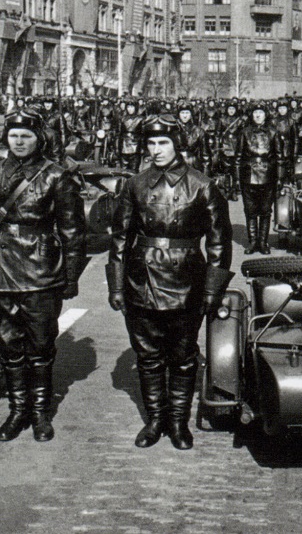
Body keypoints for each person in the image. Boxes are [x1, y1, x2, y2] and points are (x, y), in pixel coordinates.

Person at [106, 114, 233, 450]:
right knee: (148, 357)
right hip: (141, 281)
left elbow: (219, 244)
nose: (156, 150)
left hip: (186, 281)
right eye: (150, 143)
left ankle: (178, 422)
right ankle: (155, 420)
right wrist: (116, 286)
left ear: (178, 144)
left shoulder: (203, 185)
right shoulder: (134, 185)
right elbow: (119, 239)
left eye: (163, 142)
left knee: (183, 356)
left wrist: (212, 290)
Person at [0, 109, 86, 442]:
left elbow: (72, 232)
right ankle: (17, 410)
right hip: (2, 269)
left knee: (40, 345)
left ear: (39, 139)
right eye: (14, 136)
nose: (19, 142)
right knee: (8, 344)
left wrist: (71, 277)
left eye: (27, 136)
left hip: (41, 270)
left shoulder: (56, 176)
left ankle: (39, 413)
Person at [236, 104, 284, 254]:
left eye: (260, 112)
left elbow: (279, 157)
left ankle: (263, 242)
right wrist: (237, 179)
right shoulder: (244, 132)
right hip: (248, 176)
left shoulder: (273, 132)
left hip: (268, 176)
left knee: (265, 210)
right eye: (255, 112)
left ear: (265, 115)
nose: (257, 115)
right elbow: (238, 157)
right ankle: (252, 242)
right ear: (251, 115)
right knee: (250, 210)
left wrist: (280, 178)